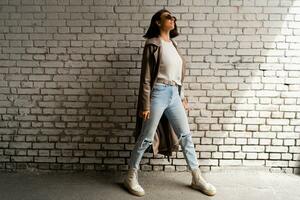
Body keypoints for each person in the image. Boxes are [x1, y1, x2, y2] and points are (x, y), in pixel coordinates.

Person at [123, 9, 217, 197]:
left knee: (186, 136)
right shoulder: (152, 44)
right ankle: (130, 177)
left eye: (173, 17)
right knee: (146, 137)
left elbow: (178, 76)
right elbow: (146, 78)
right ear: (158, 22)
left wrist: (182, 97)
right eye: (168, 17)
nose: (172, 19)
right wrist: (145, 105)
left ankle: (196, 178)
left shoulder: (173, 45)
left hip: (174, 94)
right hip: (157, 93)